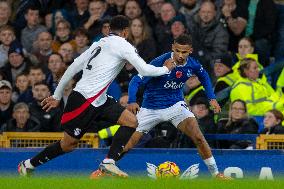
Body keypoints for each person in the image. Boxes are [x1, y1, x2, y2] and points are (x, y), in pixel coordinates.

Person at [18, 15, 176, 178]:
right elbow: (144, 70)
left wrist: (57, 95)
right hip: (84, 100)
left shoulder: (98, 44)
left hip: (98, 99)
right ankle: (27, 165)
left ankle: (109, 162)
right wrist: (166, 69)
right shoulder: (123, 44)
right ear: (126, 31)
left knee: (131, 121)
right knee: (68, 144)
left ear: (109, 30)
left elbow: (72, 67)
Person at [102, 34, 230, 179]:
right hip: (150, 108)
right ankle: (103, 169)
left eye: (184, 52)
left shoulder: (192, 64)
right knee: (129, 143)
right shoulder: (159, 62)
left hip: (175, 106)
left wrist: (212, 98)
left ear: (191, 51)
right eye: (177, 51)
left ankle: (216, 174)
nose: (180, 55)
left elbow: (204, 76)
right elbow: (135, 81)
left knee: (198, 137)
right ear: (172, 48)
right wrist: (132, 100)